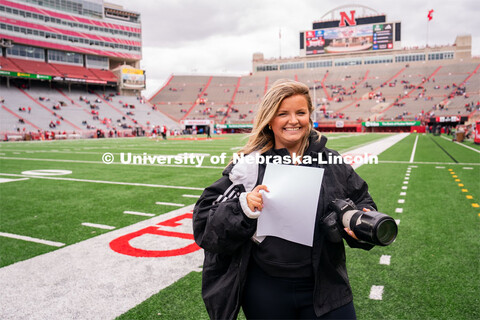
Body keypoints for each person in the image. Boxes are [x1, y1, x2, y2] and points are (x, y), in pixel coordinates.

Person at [193, 80, 377, 320]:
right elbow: (204, 224)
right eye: (283, 114)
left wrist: (357, 224)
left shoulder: (332, 163)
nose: (293, 120)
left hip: (327, 287)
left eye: (300, 113)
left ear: (309, 117)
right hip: (265, 289)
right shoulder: (248, 166)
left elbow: (366, 206)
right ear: (270, 120)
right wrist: (243, 208)